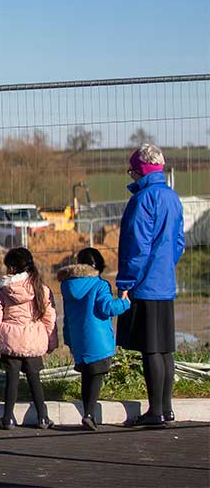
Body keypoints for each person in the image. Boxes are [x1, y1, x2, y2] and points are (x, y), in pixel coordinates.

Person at [115, 143, 186, 427]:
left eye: (132, 170)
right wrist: (166, 266)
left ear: (140, 169)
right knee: (164, 348)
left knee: (150, 349)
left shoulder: (143, 199)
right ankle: (166, 408)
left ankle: (155, 411)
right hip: (165, 282)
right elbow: (178, 242)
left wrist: (126, 282)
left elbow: (137, 246)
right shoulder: (172, 197)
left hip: (144, 284)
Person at [0, 247, 58, 430]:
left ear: (12, 268)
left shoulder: (3, 289)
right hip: (33, 341)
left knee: (11, 381)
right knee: (35, 380)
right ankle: (43, 417)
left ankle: (7, 418)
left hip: (11, 341)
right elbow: (50, 317)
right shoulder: (42, 288)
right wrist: (51, 341)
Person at [59, 248, 131, 430]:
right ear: (98, 266)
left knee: (86, 377)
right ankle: (89, 415)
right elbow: (107, 308)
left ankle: (87, 412)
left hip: (78, 340)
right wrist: (124, 302)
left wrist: (68, 340)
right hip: (98, 341)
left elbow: (67, 316)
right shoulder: (100, 285)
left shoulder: (67, 285)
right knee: (96, 377)